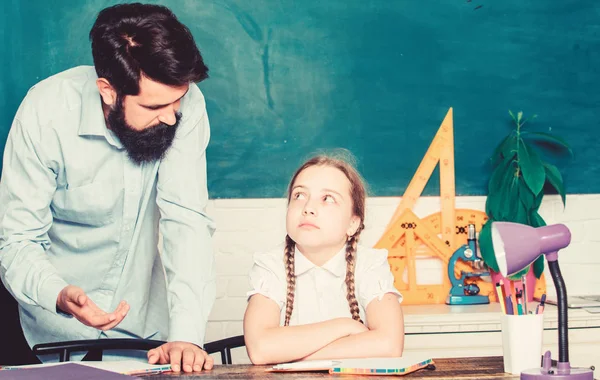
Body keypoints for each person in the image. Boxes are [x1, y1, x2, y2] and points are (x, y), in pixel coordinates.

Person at [0, 3, 215, 373]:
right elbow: (16, 240)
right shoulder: (45, 112)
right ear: (108, 91)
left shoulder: (182, 105)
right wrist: (58, 293)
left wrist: (188, 335)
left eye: (178, 101)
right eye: (155, 106)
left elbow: (187, 223)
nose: (171, 116)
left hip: (142, 334)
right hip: (44, 329)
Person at [243, 153, 405, 365]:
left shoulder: (370, 264)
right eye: (299, 195)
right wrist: (344, 325)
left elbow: (389, 344)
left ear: (353, 224)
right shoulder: (271, 265)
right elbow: (261, 349)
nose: (308, 207)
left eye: (328, 198)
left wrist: (293, 355)